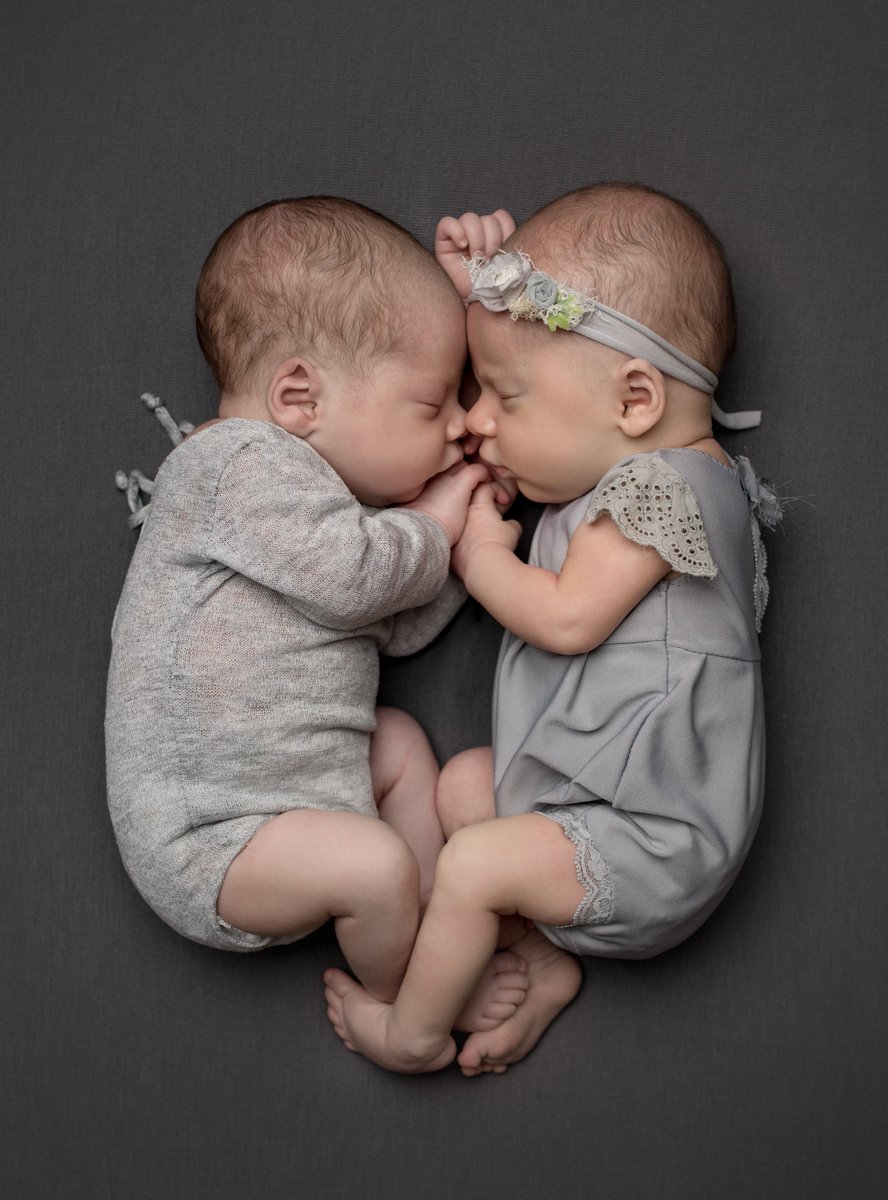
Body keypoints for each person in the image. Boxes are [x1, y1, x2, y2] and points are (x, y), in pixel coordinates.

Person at [324, 183, 782, 1073]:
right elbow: (532, 364)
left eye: (503, 395)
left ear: (636, 399)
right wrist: (478, 293)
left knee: (470, 867)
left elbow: (567, 620)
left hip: (652, 839)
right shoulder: (628, 474)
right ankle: (542, 958)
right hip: (589, 809)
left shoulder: (668, 489)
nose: (479, 419)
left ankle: (412, 1035)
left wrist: (480, 560)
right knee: (463, 790)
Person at [104, 196, 527, 1020]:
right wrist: (439, 523)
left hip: (297, 799)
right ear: (300, 396)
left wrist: (472, 554)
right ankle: (410, 992)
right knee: (371, 865)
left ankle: (440, 922)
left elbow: (388, 622)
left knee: (399, 746)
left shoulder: (320, 515)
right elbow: (359, 579)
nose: (457, 434)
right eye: (432, 403)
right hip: (216, 836)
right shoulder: (234, 466)